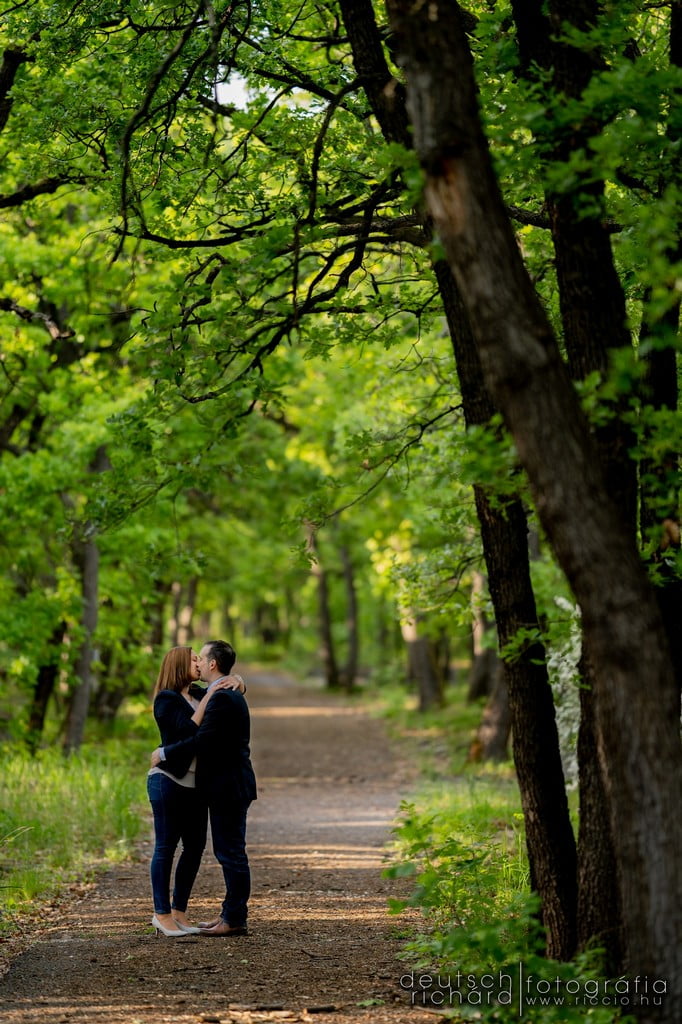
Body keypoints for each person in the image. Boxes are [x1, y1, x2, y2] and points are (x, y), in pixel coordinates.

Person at [158, 639, 257, 937]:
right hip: (226, 785)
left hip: (229, 786)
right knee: (228, 851)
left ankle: (234, 918)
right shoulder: (215, 694)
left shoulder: (222, 698)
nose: (198, 663)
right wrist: (238, 681)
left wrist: (163, 753)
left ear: (212, 663)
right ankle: (229, 914)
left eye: (200, 658)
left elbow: (203, 741)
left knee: (231, 853)